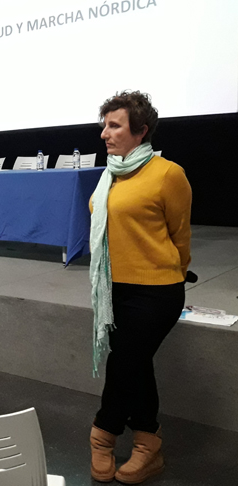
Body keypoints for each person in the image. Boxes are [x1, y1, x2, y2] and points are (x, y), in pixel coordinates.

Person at [89, 91, 191, 484]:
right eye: (105, 125)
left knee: (124, 362)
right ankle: (149, 444)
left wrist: (173, 271)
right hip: (113, 291)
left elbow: (180, 236)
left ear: (141, 130)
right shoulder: (110, 174)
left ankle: (103, 433)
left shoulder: (168, 174)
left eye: (114, 126)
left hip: (156, 290)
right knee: (136, 364)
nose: (105, 133)